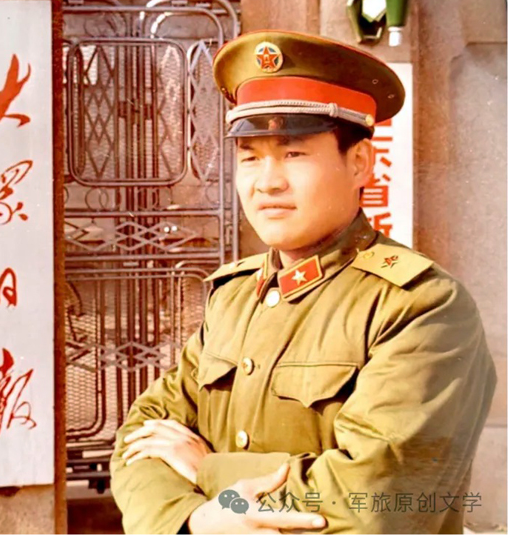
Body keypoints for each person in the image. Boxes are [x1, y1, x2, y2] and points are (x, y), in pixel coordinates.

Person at [109, 30, 497, 534]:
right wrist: (193, 519)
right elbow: (141, 437)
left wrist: (208, 470)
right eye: (250, 157)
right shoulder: (233, 297)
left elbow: (374, 498)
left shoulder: (419, 305)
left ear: (359, 163)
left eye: (293, 154)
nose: (267, 182)